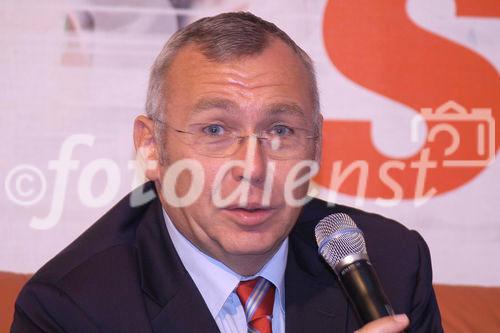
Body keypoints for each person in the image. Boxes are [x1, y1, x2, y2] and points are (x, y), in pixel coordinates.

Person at [11, 12, 442, 333]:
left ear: (316, 144)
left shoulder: (392, 266)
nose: (253, 169)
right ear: (151, 147)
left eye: (281, 130)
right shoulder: (71, 311)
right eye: (215, 130)